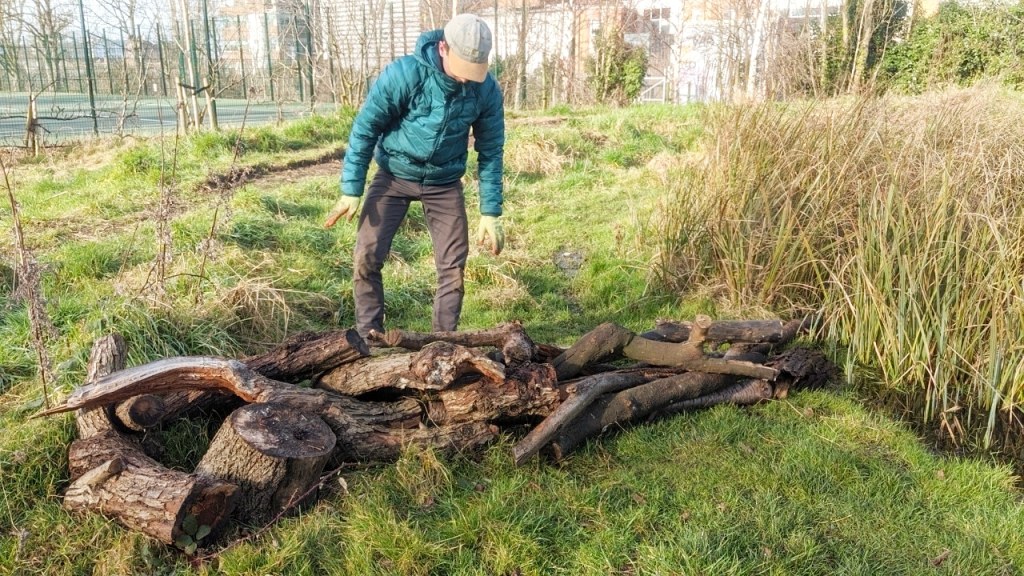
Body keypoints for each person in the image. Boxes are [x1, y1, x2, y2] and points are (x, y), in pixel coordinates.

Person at [324, 13, 505, 339]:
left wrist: (490, 212)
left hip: (444, 182)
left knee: (453, 268)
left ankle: (442, 344)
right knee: (367, 256)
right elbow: (365, 129)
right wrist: (351, 188)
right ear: (443, 48)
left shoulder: (485, 90)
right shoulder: (404, 75)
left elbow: (491, 151)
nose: (467, 79)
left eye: (474, 72)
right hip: (394, 174)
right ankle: (369, 339)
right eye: (463, 69)